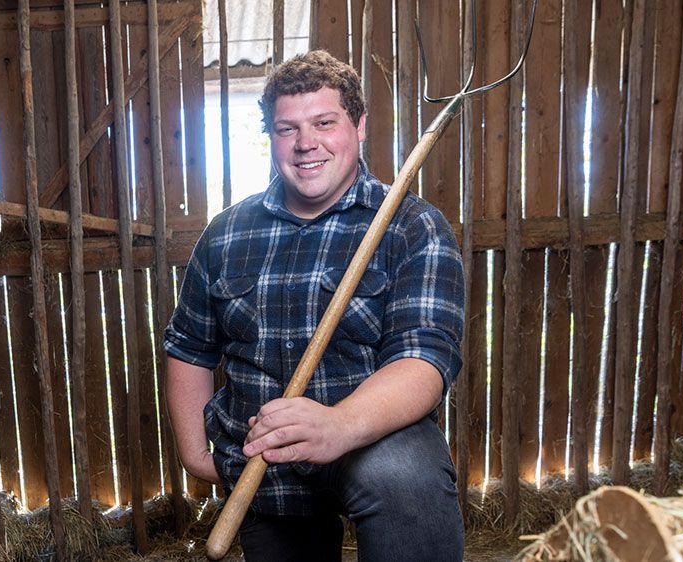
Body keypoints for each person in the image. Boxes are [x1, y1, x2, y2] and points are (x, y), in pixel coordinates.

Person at [163, 50, 465, 561]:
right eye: (288, 128)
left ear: (359, 124)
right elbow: (189, 347)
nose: (306, 144)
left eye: (324, 122)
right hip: (266, 468)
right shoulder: (226, 235)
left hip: (371, 448)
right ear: (272, 135)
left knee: (405, 478)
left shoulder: (412, 227)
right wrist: (196, 455)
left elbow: (424, 360)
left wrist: (336, 426)